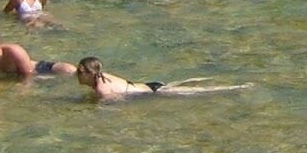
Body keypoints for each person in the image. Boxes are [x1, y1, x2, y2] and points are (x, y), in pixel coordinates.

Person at [73, 56, 251, 100]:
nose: (78, 75)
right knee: (188, 84)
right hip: (150, 85)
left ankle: (237, 87)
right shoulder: (103, 76)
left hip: (151, 93)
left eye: (81, 72)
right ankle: (221, 79)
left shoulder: (102, 89)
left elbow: (117, 103)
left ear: (90, 74)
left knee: (194, 91)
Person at [0, 25, 70, 79]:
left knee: (70, 71)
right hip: (17, 79)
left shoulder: (13, 51)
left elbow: (29, 75)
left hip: (39, 70)